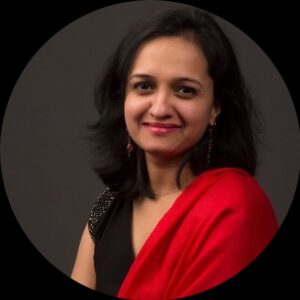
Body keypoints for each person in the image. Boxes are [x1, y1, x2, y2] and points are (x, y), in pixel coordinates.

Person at [71, 6, 278, 299]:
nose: (159, 108)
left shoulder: (235, 207)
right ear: (123, 98)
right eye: (144, 86)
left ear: (215, 108)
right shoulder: (106, 208)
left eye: (185, 91)